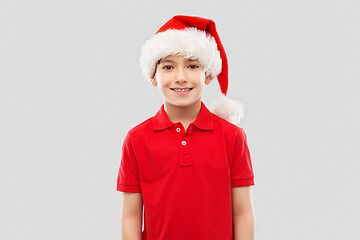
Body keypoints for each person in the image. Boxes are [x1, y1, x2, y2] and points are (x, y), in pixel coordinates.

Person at [116, 15, 255, 240]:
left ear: (208, 74)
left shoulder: (233, 137)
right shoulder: (136, 139)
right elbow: (131, 215)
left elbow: (243, 212)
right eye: (169, 67)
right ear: (153, 76)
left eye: (192, 66)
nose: (181, 78)